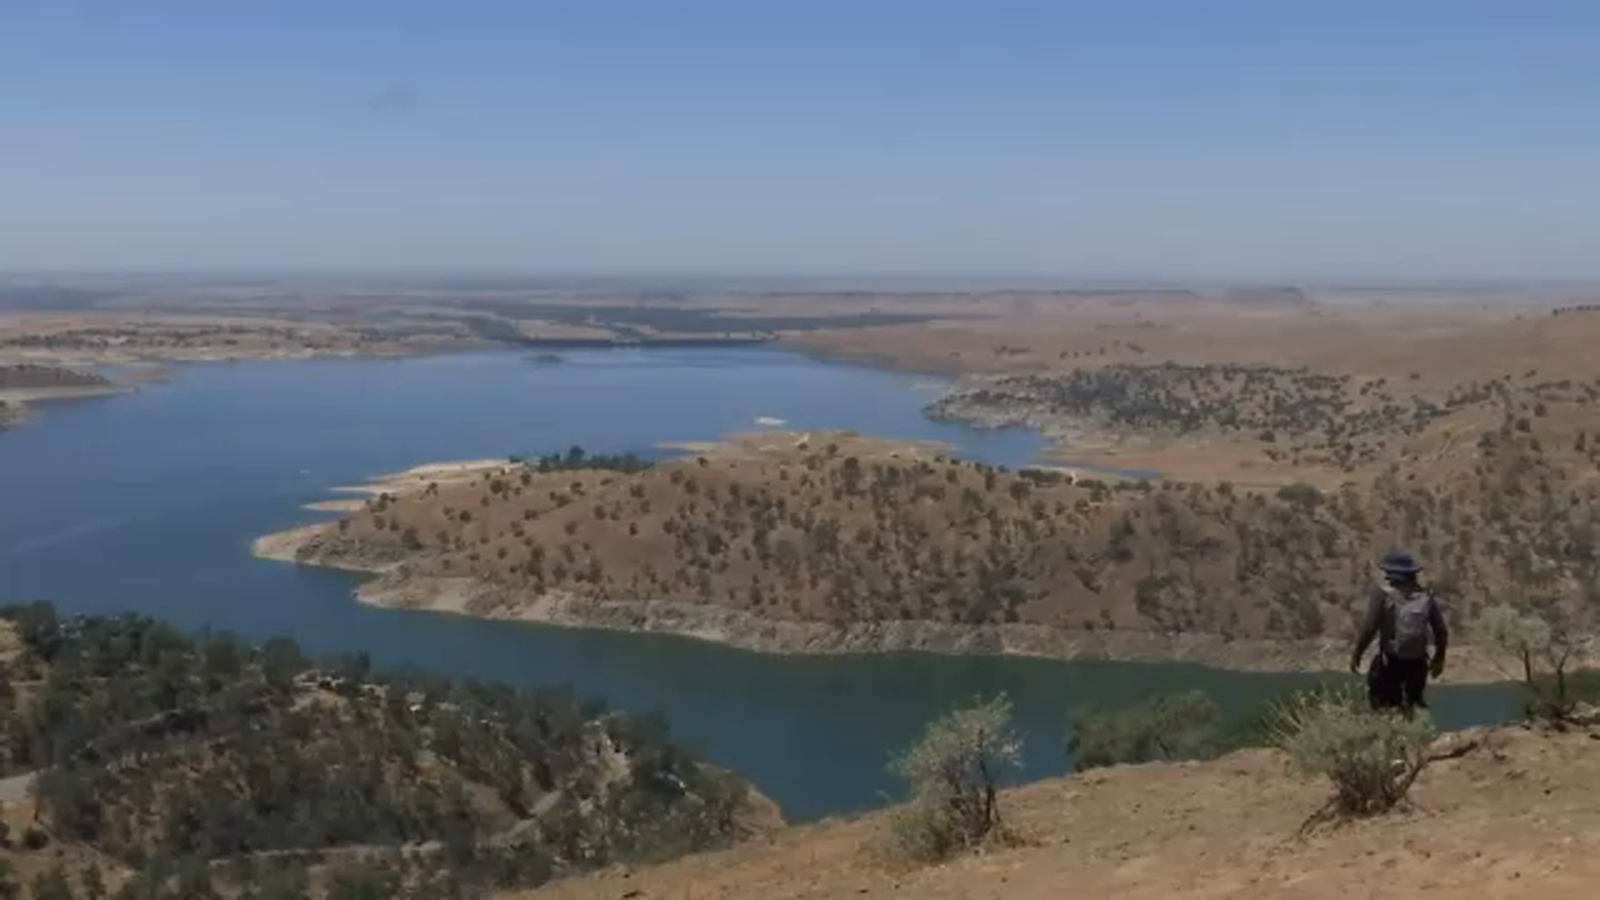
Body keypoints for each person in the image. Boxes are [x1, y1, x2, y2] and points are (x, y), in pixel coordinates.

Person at [1350, 548, 1448, 715]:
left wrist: (1357, 654)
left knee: (1383, 708)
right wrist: (1439, 659)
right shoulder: (1425, 596)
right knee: (1411, 708)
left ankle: (1390, 738)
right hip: (1418, 663)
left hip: (1390, 662)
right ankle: (1412, 736)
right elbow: (1441, 631)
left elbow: (1370, 627)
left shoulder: (1382, 593)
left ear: (1389, 572)